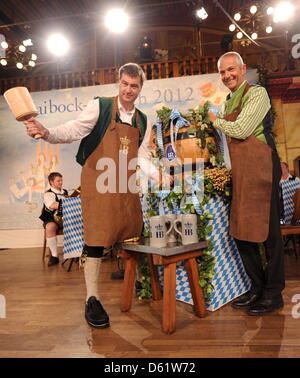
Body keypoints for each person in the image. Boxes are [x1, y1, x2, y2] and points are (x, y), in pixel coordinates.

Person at [24, 63, 169, 329]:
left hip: (125, 184)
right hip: (98, 181)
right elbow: (74, 129)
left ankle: (136, 282)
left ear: (140, 88)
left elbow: (142, 156)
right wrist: (47, 132)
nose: (128, 89)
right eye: (124, 83)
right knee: (96, 238)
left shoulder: (142, 120)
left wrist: (158, 176)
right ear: (119, 82)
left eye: (134, 86)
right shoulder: (100, 106)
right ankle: (92, 298)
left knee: (132, 230)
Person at [209, 52, 284, 316]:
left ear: (242, 69)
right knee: (243, 232)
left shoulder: (257, 94)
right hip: (242, 172)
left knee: (269, 234)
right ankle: (257, 287)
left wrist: (213, 120)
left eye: (231, 69)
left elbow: (241, 130)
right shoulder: (228, 102)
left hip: (262, 166)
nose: (227, 75)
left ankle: (274, 294)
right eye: (222, 72)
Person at [40, 172, 68, 266]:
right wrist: (71, 202)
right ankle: (54, 256)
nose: (61, 182)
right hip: (51, 218)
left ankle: (76, 253)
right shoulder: (47, 194)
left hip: (64, 218)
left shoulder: (65, 192)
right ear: (51, 182)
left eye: (61, 180)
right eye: (58, 181)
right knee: (50, 227)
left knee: (79, 223)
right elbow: (52, 205)